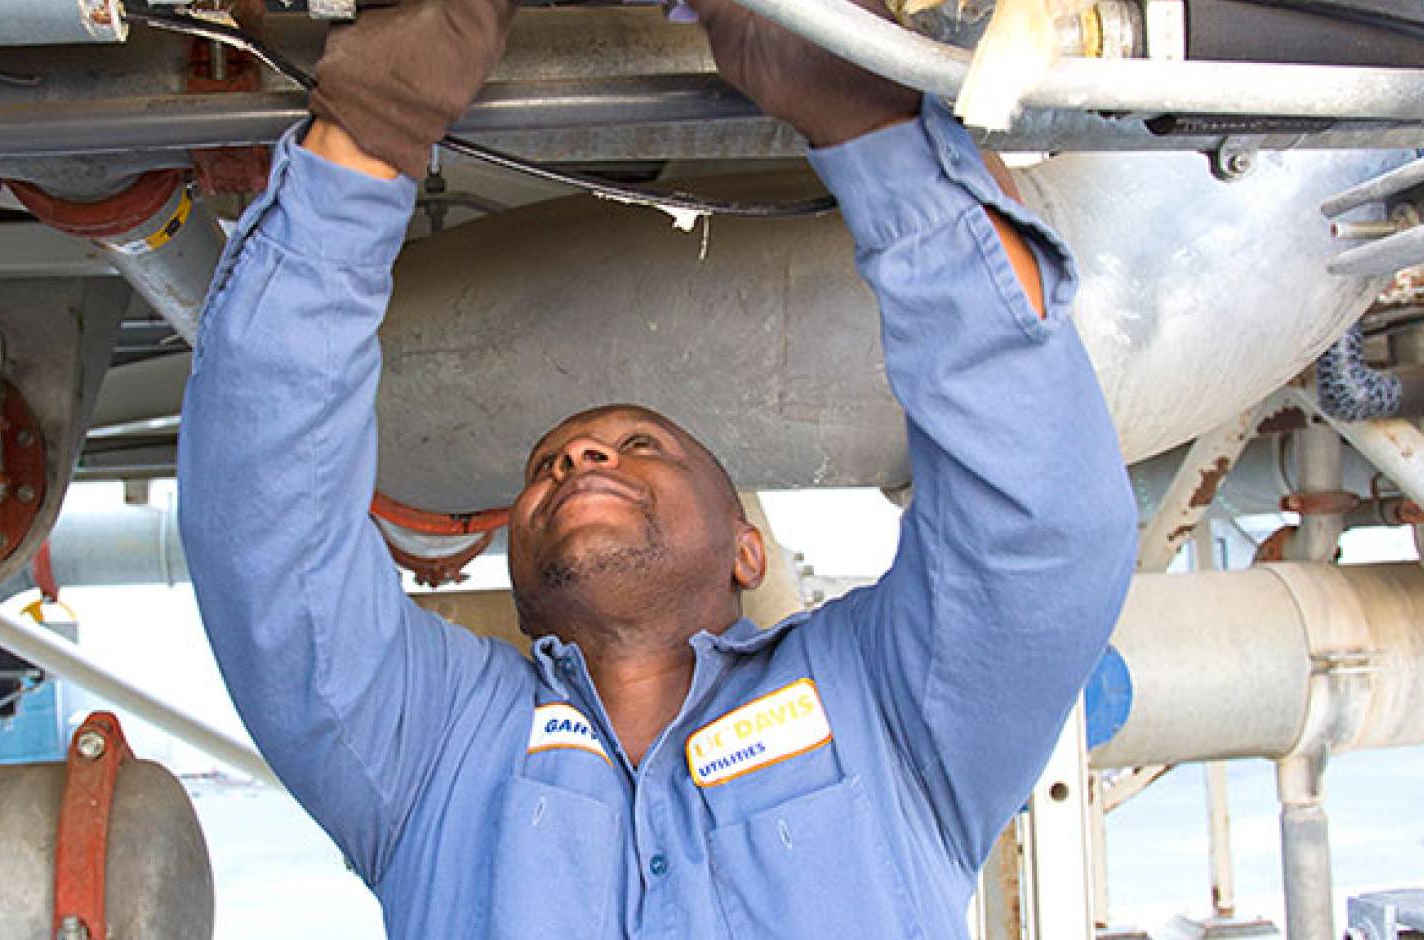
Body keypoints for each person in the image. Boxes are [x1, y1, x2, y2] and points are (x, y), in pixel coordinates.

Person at [177, 0, 1138, 934]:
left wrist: (858, 109)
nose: (581, 456)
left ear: (746, 551)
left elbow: (1036, 539)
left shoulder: (890, 709)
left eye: (643, 448)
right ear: (516, 579)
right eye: (549, 466)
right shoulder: (428, 741)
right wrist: (377, 126)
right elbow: (270, 543)